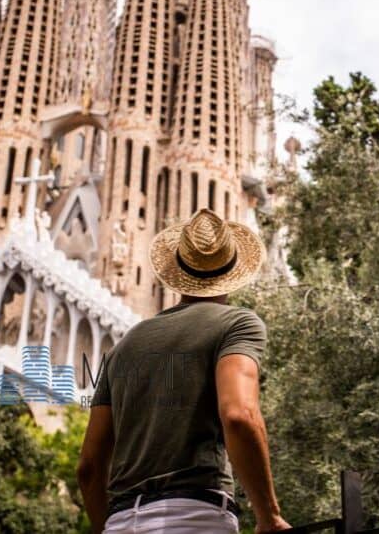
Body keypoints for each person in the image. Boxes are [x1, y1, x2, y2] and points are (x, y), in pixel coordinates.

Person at [77, 208, 291, 533]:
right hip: (194, 516)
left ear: (177, 271)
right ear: (232, 272)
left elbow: (89, 468)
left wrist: (105, 526)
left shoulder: (123, 348)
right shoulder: (237, 324)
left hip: (120, 521)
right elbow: (239, 416)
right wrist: (269, 516)